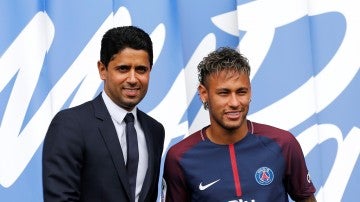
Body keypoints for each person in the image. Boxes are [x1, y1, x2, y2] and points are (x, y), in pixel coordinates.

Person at [163, 47, 316, 202]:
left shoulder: (283, 143)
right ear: (204, 94)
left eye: (241, 92)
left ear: (250, 92)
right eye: (224, 93)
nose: (235, 103)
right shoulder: (180, 157)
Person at [42, 26, 165, 202]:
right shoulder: (70, 125)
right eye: (123, 69)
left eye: (141, 69)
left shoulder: (155, 130)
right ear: (102, 70)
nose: (132, 79)